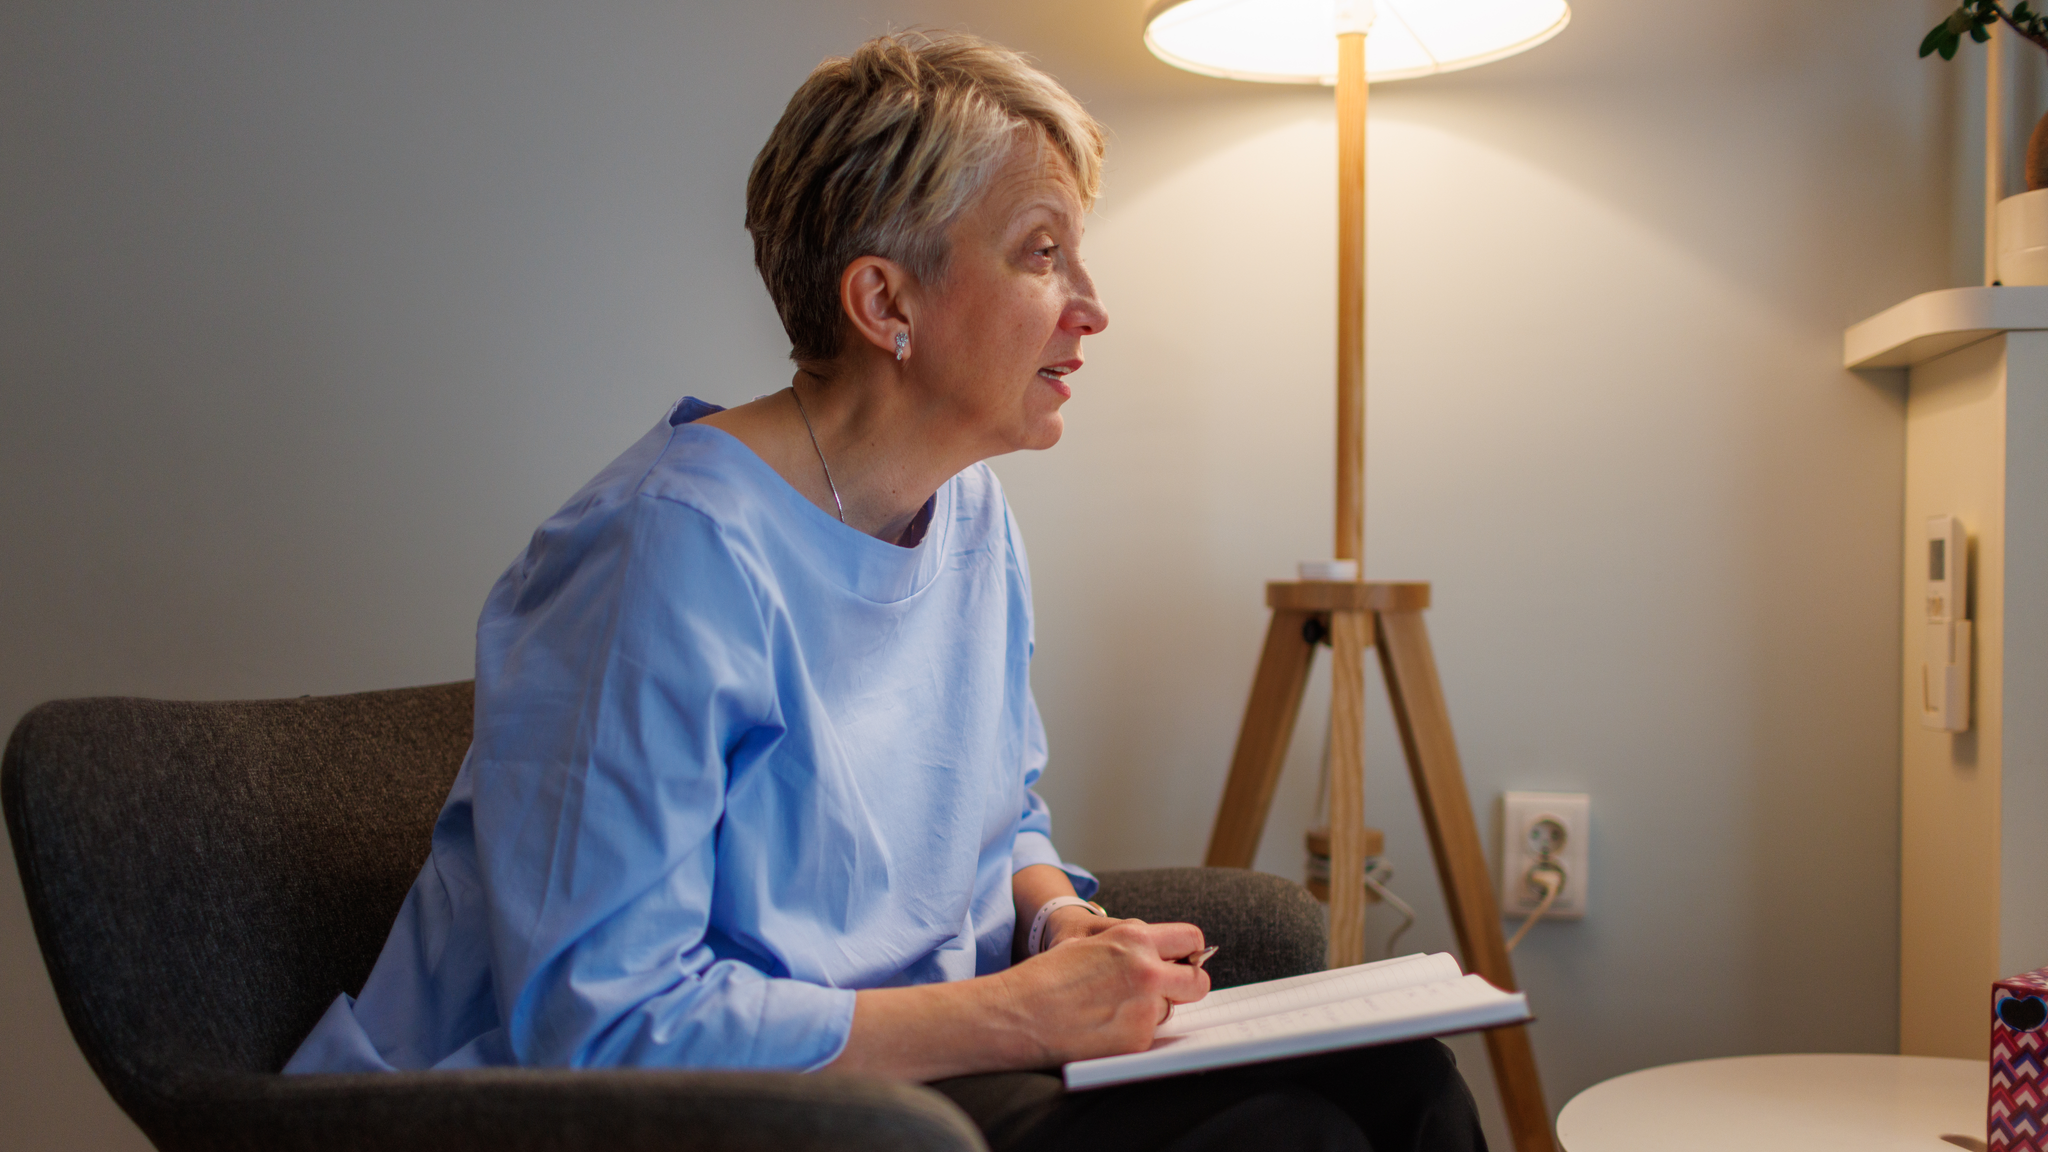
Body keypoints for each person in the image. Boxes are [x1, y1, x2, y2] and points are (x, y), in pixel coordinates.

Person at [284, 29, 1487, 1152]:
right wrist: (1020, 1013)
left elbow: (995, 815)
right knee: (1293, 1142)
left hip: (896, 1078)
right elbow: (599, 1025)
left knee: (1405, 1087)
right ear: (884, 303)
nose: (1091, 307)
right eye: (1040, 250)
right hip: (634, 1113)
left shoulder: (966, 514)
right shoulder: (664, 552)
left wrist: (1059, 925)